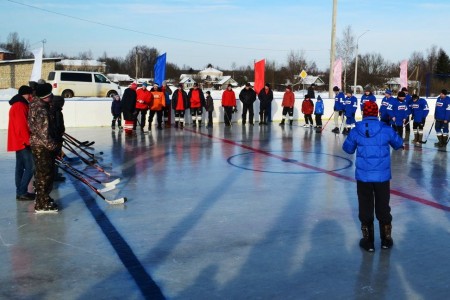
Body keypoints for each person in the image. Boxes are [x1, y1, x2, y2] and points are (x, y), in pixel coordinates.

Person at [342, 101, 404, 252]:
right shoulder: (385, 129)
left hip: (363, 177)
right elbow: (398, 144)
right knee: (383, 207)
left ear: (363, 113)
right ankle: (386, 240)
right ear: (377, 113)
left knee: (365, 207)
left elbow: (348, 149)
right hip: (382, 177)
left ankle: (368, 241)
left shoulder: (356, 130)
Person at [28, 83, 61, 213]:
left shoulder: (36, 104)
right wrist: (53, 146)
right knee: (45, 175)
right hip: (42, 147)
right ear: (45, 97)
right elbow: (43, 133)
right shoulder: (41, 110)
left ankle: (42, 199)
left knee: (42, 173)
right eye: (50, 95)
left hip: (38, 145)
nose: (52, 97)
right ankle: (42, 204)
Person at [7, 85, 35, 201]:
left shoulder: (18, 104)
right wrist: (27, 141)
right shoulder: (20, 105)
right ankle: (22, 191)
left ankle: (20, 191)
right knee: (31, 166)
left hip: (19, 141)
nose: (31, 97)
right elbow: (22, 125)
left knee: (20, 167)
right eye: (31, 94)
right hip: (22, 142)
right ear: (27, 94)